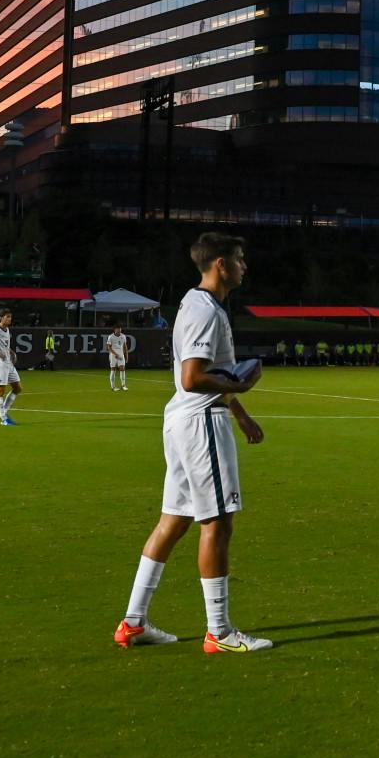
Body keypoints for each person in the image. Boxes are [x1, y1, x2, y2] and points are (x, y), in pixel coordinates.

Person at [115, 231, 272, 655]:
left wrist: (240, 413)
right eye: (238, 257)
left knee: (174, 520)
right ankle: (218, 632)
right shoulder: (205, 309)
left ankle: (133, 622)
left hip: (188, 419)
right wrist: (242, 382)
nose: (244, 265)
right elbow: (193, 377)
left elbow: (204, 375)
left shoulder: (196, 303)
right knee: (217, 521)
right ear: (220, 263)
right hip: (201, 423)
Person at [105, 324, 132, 391]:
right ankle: (113, 387)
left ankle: (123, 385)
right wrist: (115, 354)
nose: (119, 331)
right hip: (113, 355)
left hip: (121, 354)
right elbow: (108, 348)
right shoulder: (110, 337)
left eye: (120, 330)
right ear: (115, 330)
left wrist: (127, 356)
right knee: (113, 369)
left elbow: (125, 346)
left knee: (122, 369)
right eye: (118, 330)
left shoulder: (123, 336)